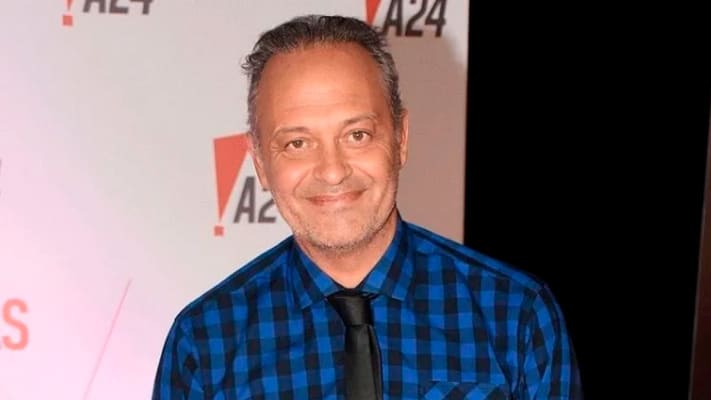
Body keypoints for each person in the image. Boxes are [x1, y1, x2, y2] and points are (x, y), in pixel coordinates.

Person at [152, 14, 583, 399]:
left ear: (400, 138)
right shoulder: (205, 342)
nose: (332, 171)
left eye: (357, 135)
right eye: (297, 143)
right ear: (261, 163)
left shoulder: (514, 313)